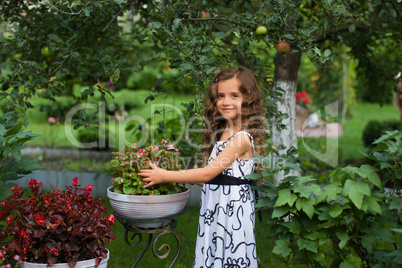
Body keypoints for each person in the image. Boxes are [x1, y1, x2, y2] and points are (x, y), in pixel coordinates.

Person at [139, 67, 266, 268]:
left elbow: (207, 173)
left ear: (248, 100)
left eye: (235, 95)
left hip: (231, 211)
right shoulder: (225, 132)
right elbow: (212, 176)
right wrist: (175, 173)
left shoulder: (241, 138)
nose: (226, 102)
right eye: (220, 96)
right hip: (217, 205)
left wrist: (165, 176)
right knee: (214, 251)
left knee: (229, 253)